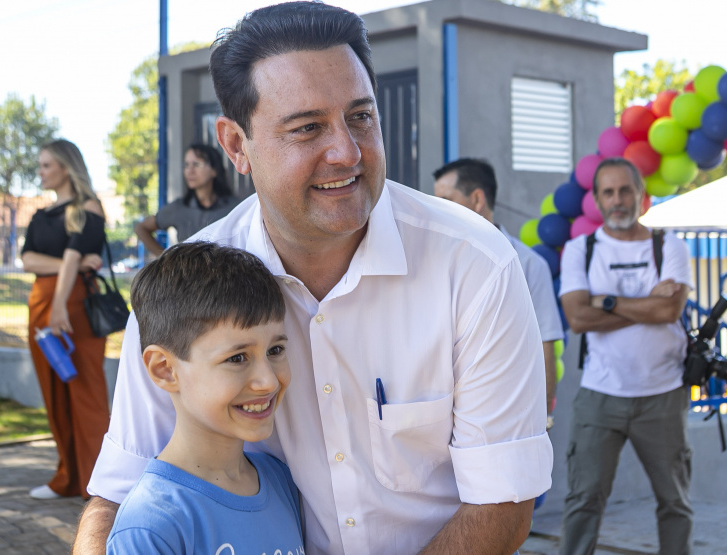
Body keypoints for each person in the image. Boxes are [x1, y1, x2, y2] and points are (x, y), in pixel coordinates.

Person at [74, 3, 552, 554]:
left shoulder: (474, 264)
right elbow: (119, 495)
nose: (346, 152)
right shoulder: (188, 288)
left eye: (361, 117)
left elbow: (502, 506)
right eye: (307, 128)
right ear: (236, 145)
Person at [106, 242, 303, 554]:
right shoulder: (151, 526)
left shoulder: (281, 481)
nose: (267, 381)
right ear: (165, 369)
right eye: (237, 358)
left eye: (275, 350)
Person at [557, 158, 694, 555]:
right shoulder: (580, 250)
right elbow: (579, 317)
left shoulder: (669, 246)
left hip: (663, 396)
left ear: (641, 196)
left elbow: (668, 312)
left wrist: (608, 301)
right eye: (609, 192)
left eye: (625, 191)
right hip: (600, 396)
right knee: (584, 502)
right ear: (597, 200)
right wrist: (645, 302)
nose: (618, 200)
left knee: (675, 503)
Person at [433, 158, 565, 427]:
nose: (438, 210)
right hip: (445, 416)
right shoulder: (433, 261)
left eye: (446, 200)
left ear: (477, 199)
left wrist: (544, 419)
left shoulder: (528, 265)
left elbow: (545, 344)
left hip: (509, 417)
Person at [21, 139, 111, 500]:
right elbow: (27, 261)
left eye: (46, 165)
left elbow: (77, 258)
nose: (41, 172)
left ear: (65, 166)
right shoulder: (40, 216)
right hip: (40, 302)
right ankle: (68, 477)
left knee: (85, 389)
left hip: (72, 304)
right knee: (53, 390)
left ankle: (100, 482)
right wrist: (62, 267)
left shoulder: (88, 206)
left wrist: (59, 305)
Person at [133, 143, 239, 255]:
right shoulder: (179, 208)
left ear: (214, 170)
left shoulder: (235, 208)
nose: (190, 171)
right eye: (186, 165)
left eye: (196, 164)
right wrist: (165, 259)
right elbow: (141, 228)